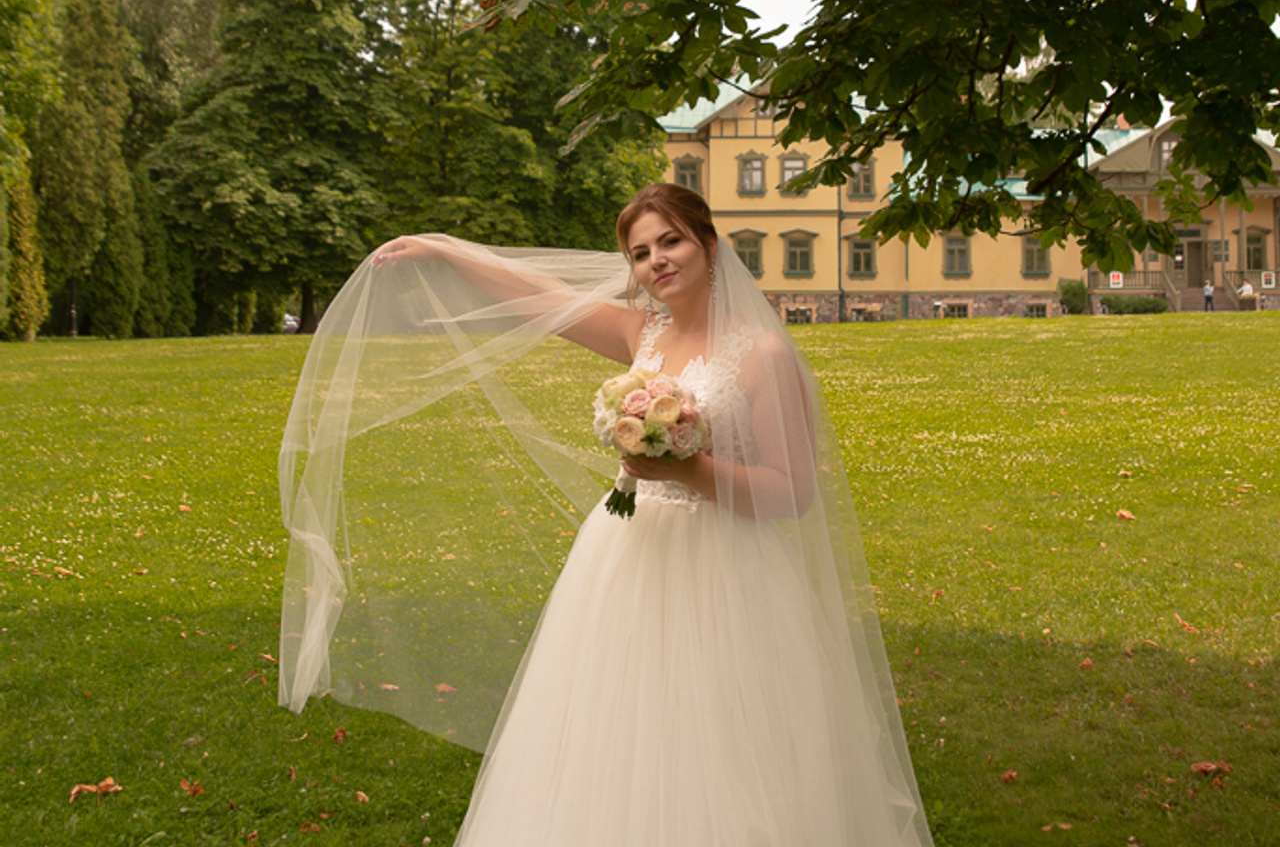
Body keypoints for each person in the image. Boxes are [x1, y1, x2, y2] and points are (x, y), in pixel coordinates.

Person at [277, 184, 933, 846]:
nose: (657, 261)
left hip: (728, 569)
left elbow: (793, 492)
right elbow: (538, 297)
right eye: (640, 253)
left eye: (671, 241)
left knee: (726, 729)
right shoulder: (641, 332)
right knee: (615, 720)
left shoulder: (763, 352)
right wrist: (446, 252)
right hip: (627, 556)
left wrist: (688, 470)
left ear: (709, 245)